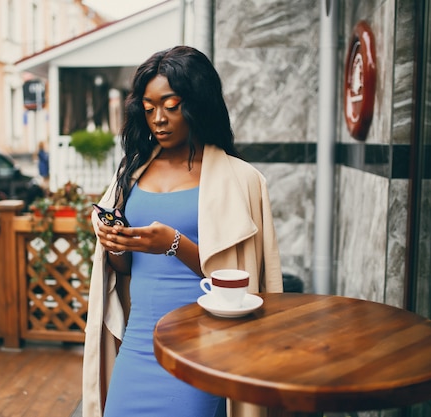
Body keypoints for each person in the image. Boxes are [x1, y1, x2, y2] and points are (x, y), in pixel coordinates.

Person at [82, 45, 283, 417]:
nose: (158, 118)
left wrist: (174, 244)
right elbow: (125, 272)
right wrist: (115, 246)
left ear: (196, 102)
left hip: (203, 350)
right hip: (139, 342)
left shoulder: (242, 181)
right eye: (149, 108)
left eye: (170, 105)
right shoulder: (130, 174)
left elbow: (240, 280)